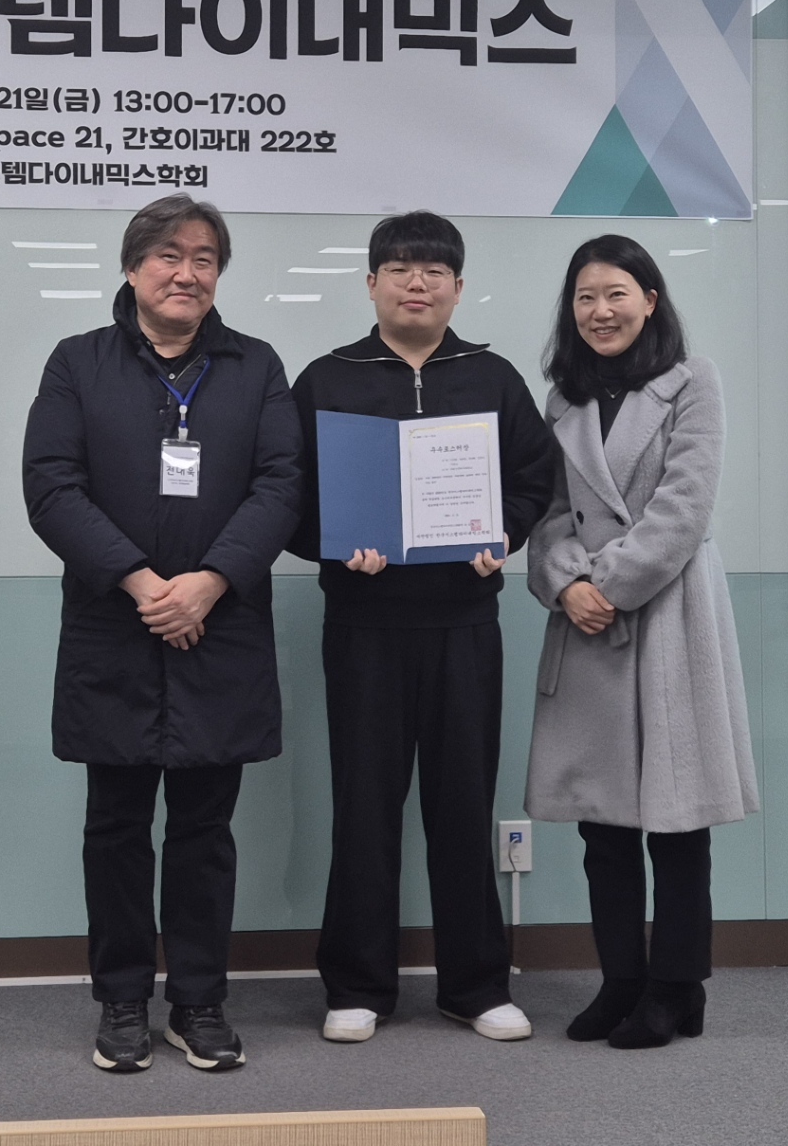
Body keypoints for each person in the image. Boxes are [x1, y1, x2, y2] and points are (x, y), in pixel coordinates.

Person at [21, 193, 302, 1074]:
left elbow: (282, 484)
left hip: (222, 627)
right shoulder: (78, 363)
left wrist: (209, 584)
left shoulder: (256, 366)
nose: (187, 273)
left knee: (205, 829)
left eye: (205, 259)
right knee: (115, 825)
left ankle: (199, 1001)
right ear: (133, 267)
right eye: (169, 256)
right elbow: (51, 487)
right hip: (116, 626)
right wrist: (146, 584)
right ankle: (120, 1000)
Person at [289, 210, 559, 1046]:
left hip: (464, 623)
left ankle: (475, 986)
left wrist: (503, 535)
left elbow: (535, 478)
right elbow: (284, 496)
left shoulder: (491, 377)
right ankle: (357, 985)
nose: (418, 283)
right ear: (371, 283)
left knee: (462, 804)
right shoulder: (327, 379)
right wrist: (337, 546)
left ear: (458, 287)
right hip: (363, 625)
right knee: (364, 806)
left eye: (435, 271)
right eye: (401, 269)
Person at [523, 234, 759, 1049]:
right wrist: (566, 584)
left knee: (677, 821)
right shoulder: (563, 400)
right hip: (588, 621)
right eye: (585, 297)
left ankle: (676, 986)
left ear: (649, 300)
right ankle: (621, 980)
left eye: (616, 294)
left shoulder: (693, 382)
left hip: (667, 613)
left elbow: (685, 508)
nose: (601, 311)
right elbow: (550, 514)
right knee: (604, 824)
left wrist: (608, 586)